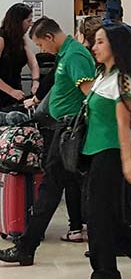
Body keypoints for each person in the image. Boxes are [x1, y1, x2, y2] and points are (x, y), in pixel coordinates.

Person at [0, 17, 95, 266]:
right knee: (56, 189)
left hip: (69, 132)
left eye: (41, 44)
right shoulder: (66, 54)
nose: (42, 50)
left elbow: (90, 96)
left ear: (50, 37)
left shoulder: (75, 55)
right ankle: (27, 246)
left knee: (53, 189)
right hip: (61, 129)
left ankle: (27, 247)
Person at [84, 24, 131, 278]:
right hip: (94, 151)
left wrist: (127, 160)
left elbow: (123, 124)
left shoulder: (122, 80)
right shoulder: (102, 75)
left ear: (116, 46)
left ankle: (105, 272)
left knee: (99, 217)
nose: (94, 47)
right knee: (100, 215)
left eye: (100, 42)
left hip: (111, 152)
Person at [0, 3, 40, 109]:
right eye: (28, 21)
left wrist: (35, 81)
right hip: (4, 92)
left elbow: (33, 62)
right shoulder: (1, 39)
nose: (31, 24)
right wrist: (11, 91)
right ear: (18, 21)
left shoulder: (20, 40)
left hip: (15, 92)